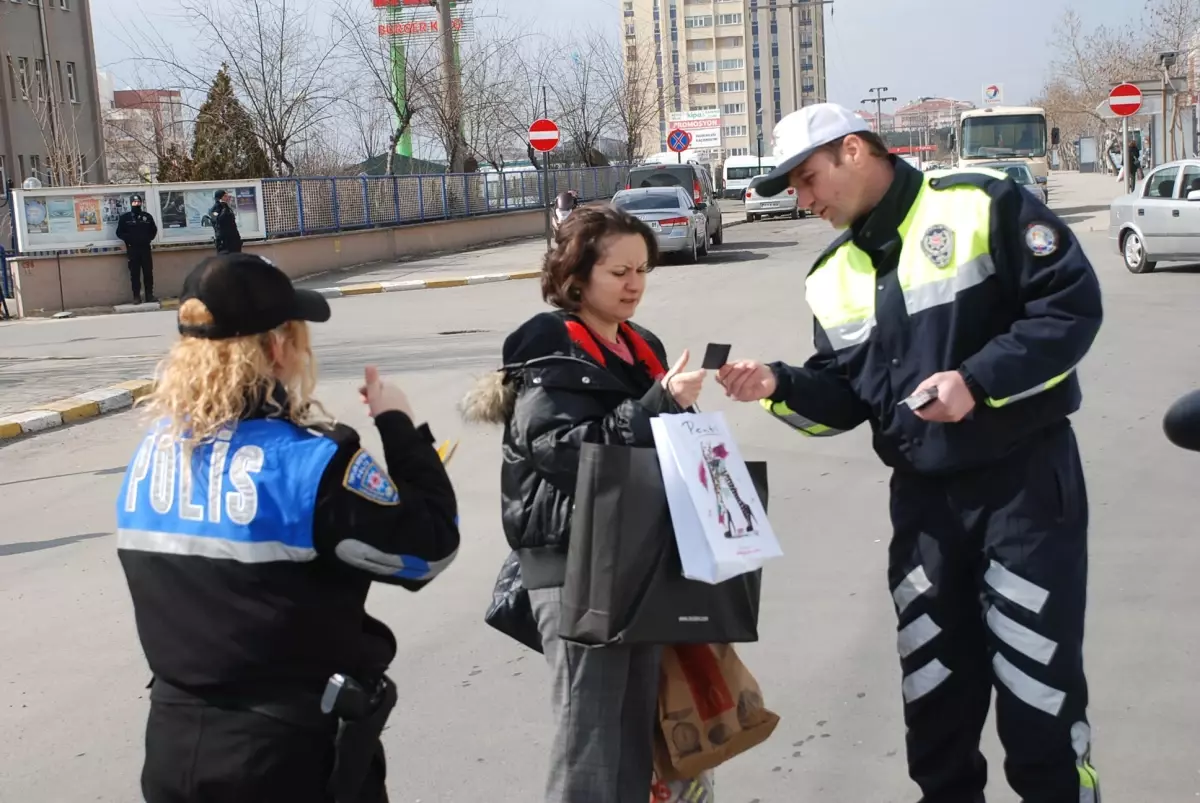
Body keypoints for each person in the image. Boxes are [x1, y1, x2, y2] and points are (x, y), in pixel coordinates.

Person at [717, 103, 1104, 803]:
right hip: (923, 508)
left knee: (1036, 699)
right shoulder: (829, 277)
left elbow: (1070, 309)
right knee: (935, 712)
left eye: (807, 180)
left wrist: (978, 383)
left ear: (856, 151)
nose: (804, 202)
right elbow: (845, 397)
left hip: (1023, 489)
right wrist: (777, 384)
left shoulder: (981, 204)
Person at [115, 252, 460, 803]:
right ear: (275, 347)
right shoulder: (312, 461)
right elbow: (429, 550)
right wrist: (399, 427)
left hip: (174, 747)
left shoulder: (151, 454)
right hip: (288, 755)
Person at [460, 204, 706, 802]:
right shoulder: (548, 348)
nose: (635, 284)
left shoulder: (640, 345)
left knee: (634, 741)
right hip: (573, 563)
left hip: (636, 559)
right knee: (590, 745)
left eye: (642, 269)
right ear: (577, 276)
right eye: (619, 271)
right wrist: (657, 406)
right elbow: (561, 451)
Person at [116, 193, 158, 304]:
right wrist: (129, 240)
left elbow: (153, 230)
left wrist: (148, 239)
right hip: (133, 250)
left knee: (148, 273)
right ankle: (136, 296)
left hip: (145, 249)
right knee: (135, 274)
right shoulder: (125, 218)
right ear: (131, 203)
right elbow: (119, 232)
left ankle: (149, 295)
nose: (137, 204)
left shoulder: (147, 217)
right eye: (134, 202)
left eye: (138, 202)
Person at [211, 190, 243, 254]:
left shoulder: (226, 207)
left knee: (236, 258)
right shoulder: (215, 208)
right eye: (225, 196)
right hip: (224, 240)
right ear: (220, 197)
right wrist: (223, 210)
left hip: (233, 238)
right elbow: (217, 220)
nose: (227, 197)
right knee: (226, 259)